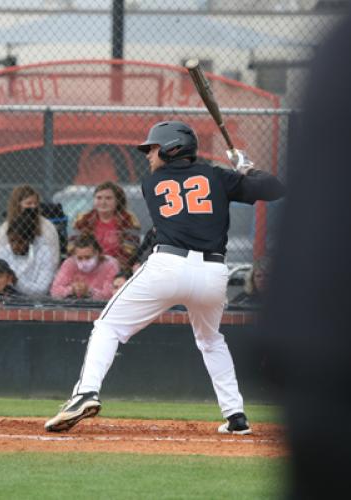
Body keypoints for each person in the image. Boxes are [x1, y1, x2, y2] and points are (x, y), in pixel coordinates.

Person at [45, 120, 285, 433]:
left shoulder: (153, 183)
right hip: (213, 274)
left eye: (154, 148)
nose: (149, 155)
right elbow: (274, 188)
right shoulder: (217, 175)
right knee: (212, 340)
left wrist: (235, 174)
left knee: (108, 327)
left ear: (172, 148)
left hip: (168, 266)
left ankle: (85, 393)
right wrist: (246, 169)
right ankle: (235, 416)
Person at [261, 7, 351, 499]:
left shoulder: (339, 45)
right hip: (322, 349)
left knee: (109, 326)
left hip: (319, 356)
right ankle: (232, 413)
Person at [70, 181, 140, 272]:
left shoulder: (128, 220)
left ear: (117, 201)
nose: (103, 202)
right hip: (86, 266)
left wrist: (108, 265)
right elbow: (72, 248)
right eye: (99, 198)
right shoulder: (83, 220)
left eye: (108, 198)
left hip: (118, 269)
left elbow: (130, 252)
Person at [0, 184, 59, 265]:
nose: (33, 207)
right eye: (29, 204)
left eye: (36, 203)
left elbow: (54, 258)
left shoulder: (47, 226)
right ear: (17, 205)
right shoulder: (5, 228)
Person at [0, 208, 58, 296]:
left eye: (20, 242)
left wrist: (17, 281)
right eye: (12, 241)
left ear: (30, 240)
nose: (15, 246)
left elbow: (42, 289)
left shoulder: (43, 252)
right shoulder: (4, 253)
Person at [50, 234, 119, 301]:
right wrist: (72, 289)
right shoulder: (70, 263)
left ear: (97, 253)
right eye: (80, 258)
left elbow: (111, 295)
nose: (84, 262)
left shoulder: (110, 264)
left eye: (88, 257)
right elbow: (54, 291)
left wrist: (89, 291)